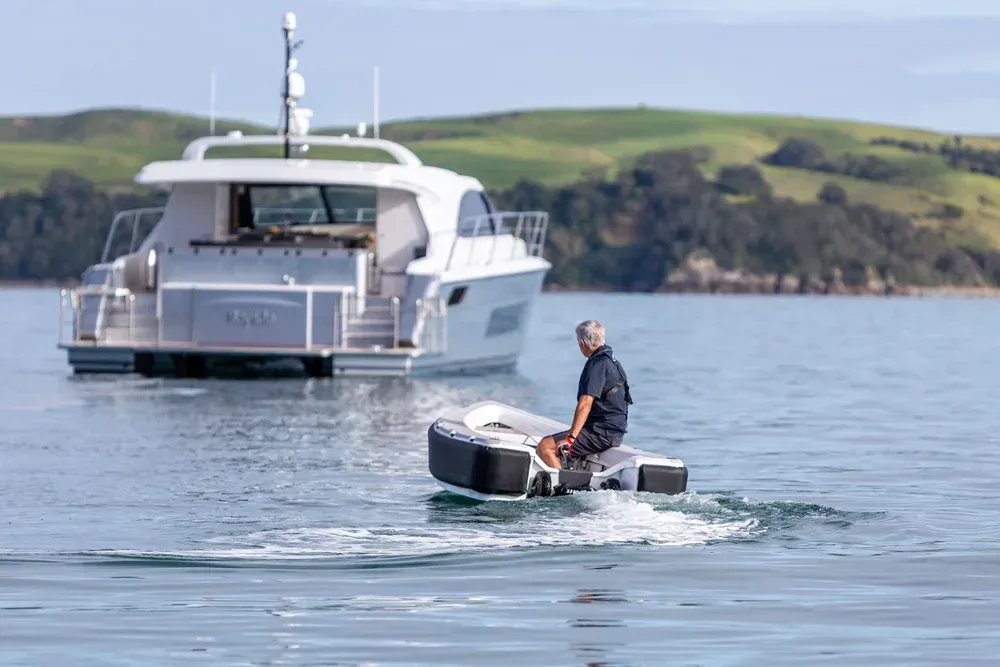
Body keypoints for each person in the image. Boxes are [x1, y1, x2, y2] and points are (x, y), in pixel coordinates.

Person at [536, 319, 632, 469]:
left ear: (582, 343)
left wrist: (571, 438)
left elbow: (585, 404)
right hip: (613, 430)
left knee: (545, 446)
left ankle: (562, 487)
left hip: (602, 434)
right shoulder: (612, 361)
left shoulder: (596, 365)